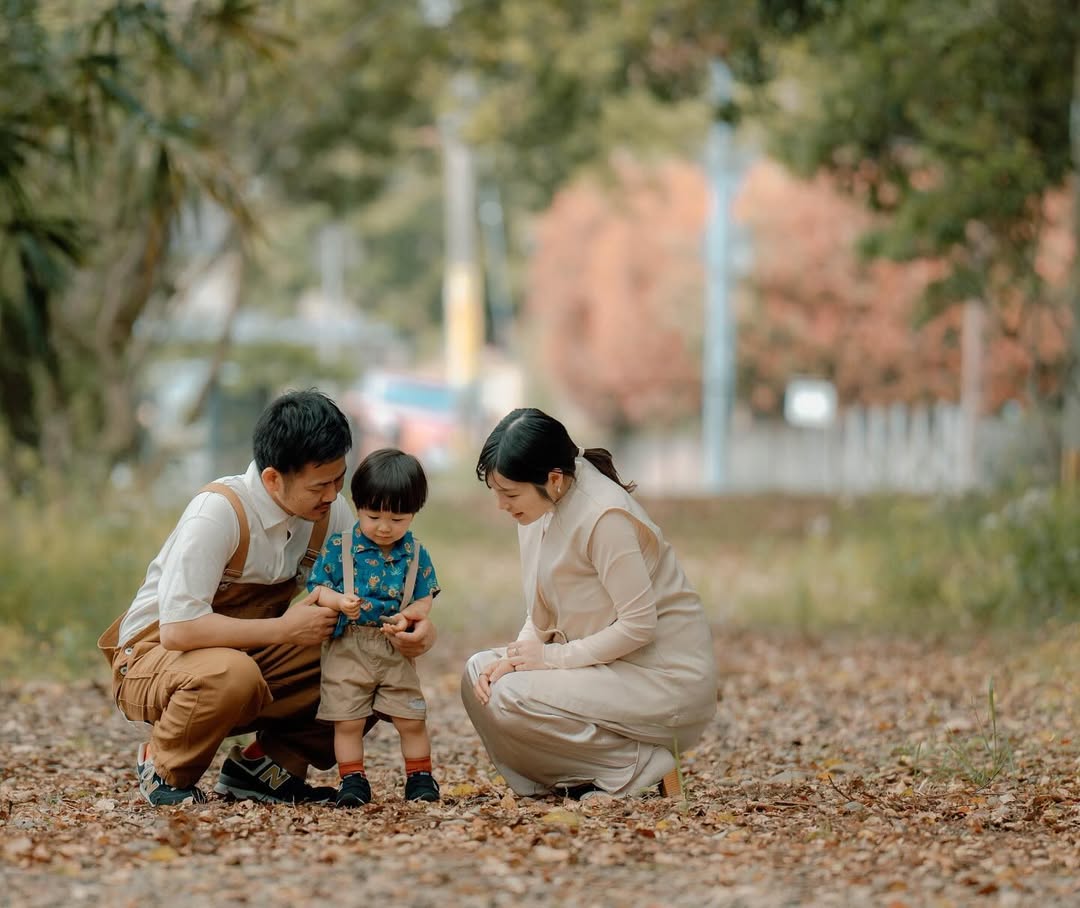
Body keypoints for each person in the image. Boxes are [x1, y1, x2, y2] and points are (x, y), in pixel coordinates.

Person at [97, 390, 438, 807]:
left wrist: (415, 630)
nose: (333, 494)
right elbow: (179, 628)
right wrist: (284, 628)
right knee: (230, 673)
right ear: (274, 478)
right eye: (319, 485)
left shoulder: (331, 515)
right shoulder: (218, 514)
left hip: (250, 653)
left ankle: (267, 767)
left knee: (370, 653)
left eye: (338, 479)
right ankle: (164, 767)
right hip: (153, 661)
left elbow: (379, 601)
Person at [461, 408, 717, 800]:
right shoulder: (540, 509)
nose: (501, 505)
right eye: (497, 492)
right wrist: (514, 657)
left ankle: (639, 765)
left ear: (554, 479)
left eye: (509, 494)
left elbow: (639, 626)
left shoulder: (603, 516)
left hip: (660, 681)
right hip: (600, 668)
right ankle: (561, 780)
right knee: (478, 673)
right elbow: (541, 609)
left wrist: (549, 660)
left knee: (512, 696)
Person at [306, 448, 441, 807]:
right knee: (347, 720)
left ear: (414, 512)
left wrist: (411, 614)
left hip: (392, 643)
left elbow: (426, 595)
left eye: (398, 518)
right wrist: (337, 602)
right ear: (357, 504)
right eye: (374, 515)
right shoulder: (340, 547)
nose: (384, 527)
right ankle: (352, 779)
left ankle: (420, 777)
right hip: (347, 645)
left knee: (410, 717)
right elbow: (316, 589)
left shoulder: (415, 553)